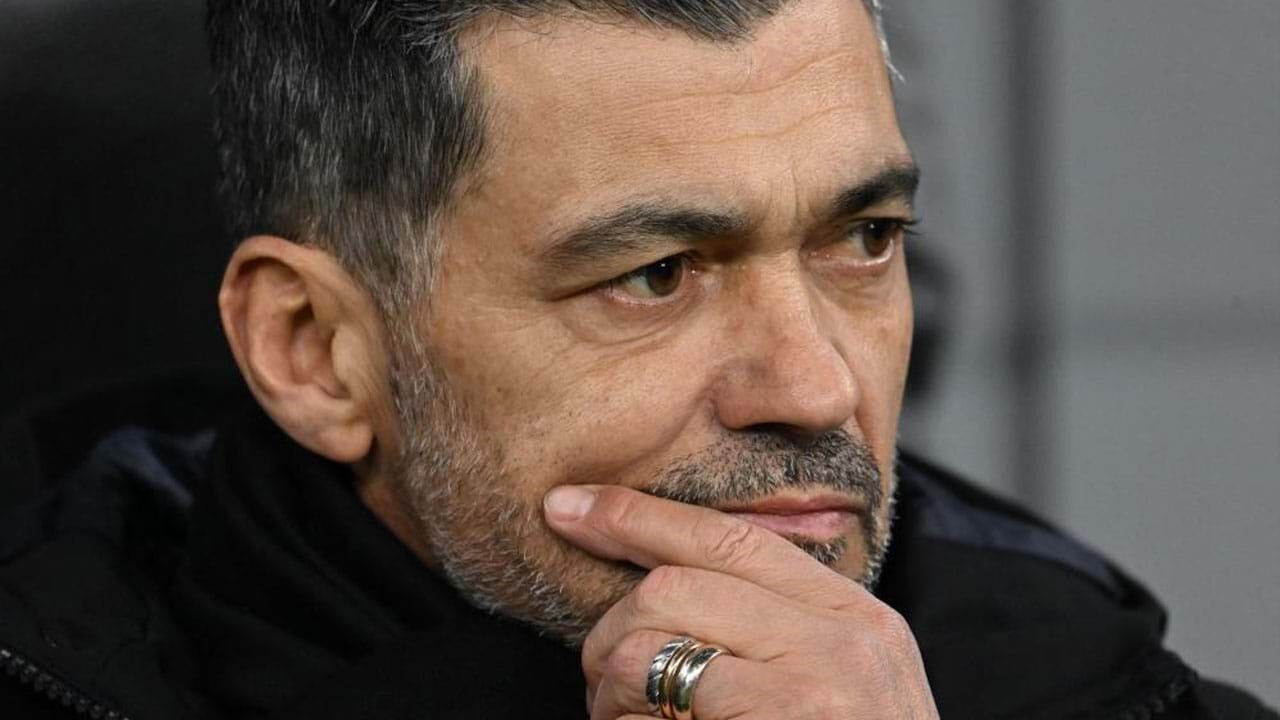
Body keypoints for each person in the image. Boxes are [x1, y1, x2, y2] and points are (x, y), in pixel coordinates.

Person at [0, 1, 1274, 718]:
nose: (816, 389)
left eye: (863, 239)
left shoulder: (1102, 689)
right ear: (314, 352)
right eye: (656, 273)